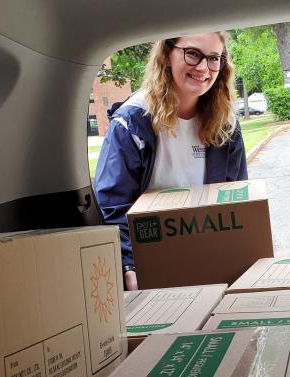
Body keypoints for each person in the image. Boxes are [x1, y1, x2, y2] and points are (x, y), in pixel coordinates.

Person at [94, 32, 247, 290]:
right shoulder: (132, 122)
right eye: (193, 54)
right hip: (151, 261)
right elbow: (113, 206)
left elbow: (237, 200)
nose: (203, 67)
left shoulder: (226, 124)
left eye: (214, 58)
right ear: (166, 55)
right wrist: (130, 266)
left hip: (210, 257)